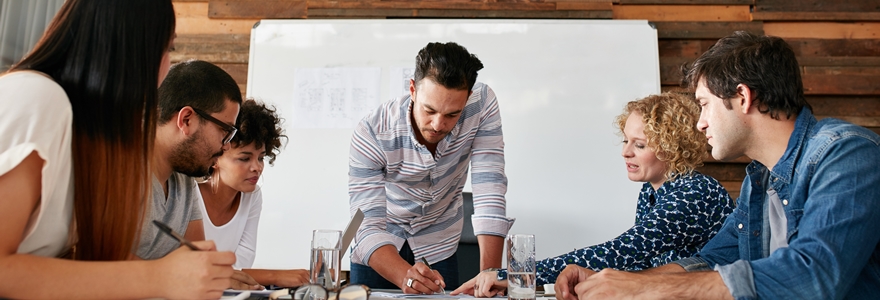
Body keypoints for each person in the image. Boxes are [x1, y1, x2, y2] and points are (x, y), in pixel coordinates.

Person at [555, 31, 880, 300]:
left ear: (742, 97)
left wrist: (643, 287)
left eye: (704, 104)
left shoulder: (844, 154)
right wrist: (608, 281)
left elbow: (812, 274)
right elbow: (711, 261)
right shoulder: (760, 179)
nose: (700, 123)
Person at [0, 1, 236, 298]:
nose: (167, 68)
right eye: (169, 49)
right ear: (134, 48)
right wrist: (159, 276)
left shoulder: (90, 135)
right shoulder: (37, 97)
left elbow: (80, 260)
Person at [452, 92, 734, 297]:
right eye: (626, 140)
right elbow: (640, 261)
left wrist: (512, 275)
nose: (625, 152)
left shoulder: (695, 193)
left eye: (639, 145)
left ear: (672, 147)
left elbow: (624, 251)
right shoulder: (651, 192)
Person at [348, 42, 513, 293]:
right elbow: (367, 225)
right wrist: (405, 276)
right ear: (412, 89)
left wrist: (489, 276)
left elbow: (489, 189)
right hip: (380, 245)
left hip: (438, 242)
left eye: (452, 114)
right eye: (430, 110)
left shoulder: (482, 105)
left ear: (467, 98)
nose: (438, 124)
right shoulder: (372, 132)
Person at [197, 99, 310, 287]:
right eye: (244, 158)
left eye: (261, 158)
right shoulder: (190, 196)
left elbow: (241, 263)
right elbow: (199, 270)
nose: (257, 167)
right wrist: (275, 276)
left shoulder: (252, 196)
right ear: (215, 157)